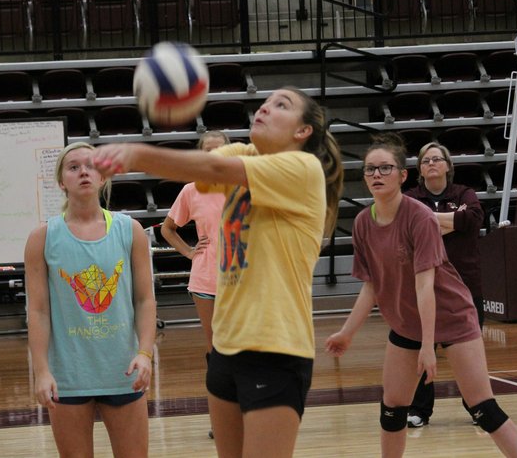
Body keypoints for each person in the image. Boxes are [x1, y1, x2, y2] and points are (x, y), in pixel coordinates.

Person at [90, 87, 344, 458]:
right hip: (226, 348)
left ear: (303, 132)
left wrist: (135, 153)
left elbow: (211, 168)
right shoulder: (245, 153)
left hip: (274, 349)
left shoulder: (302, 168)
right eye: (266, 102)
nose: (266, 107)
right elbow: (201, 169)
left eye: (281, 105)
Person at [325, 133, 517, 458]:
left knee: (483, 409)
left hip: (452, 318)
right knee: (392, 410)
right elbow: (371, 285)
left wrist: (428, 347)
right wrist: (347, 332)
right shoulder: (364, 223)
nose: (376, 174)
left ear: (403, 175)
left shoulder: (419, 216)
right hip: (407, 323)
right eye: (370, 169)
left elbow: (425, 285)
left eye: (385, 168)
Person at [25, 141, 157, 458]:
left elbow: (145, 300)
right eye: (73, 167)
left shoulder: (131, 230)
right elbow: (39, 311)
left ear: (103, 177)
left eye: (91, 165)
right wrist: (42, 371)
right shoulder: (42, 238)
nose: (83, 171)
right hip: (67, 377)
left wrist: (145, 354)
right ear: (61, 182)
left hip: (123, 372)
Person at [404, 141, 485, 428]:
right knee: (422, 348)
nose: (431, 164)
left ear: (448, 166)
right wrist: (452, 222)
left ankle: (478, 407)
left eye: (437, 159)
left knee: (469, 350)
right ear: (420, 170)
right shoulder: (411, 198)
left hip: (465, 284)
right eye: (426, 161)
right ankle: (419, 410)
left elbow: (473, 218)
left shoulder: (465, 193)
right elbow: (408, 226)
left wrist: (430, 221)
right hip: (424, 284)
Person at [161, 131, 230, 357]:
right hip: (205, 279)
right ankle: (218, 392)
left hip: (242, 280)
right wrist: (190, 252)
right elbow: (167, 229)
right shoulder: (191, 190)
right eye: (209, 150)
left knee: (242, 346)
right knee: (215, 347)